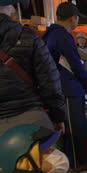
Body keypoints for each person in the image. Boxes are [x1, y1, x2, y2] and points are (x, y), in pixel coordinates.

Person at [0, 1, 66, 135]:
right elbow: (50, 83)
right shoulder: (28, 37)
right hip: (29, 120)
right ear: (9, 8)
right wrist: (58, 117)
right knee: (51, 156)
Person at [42, 2, 87, 170]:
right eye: (77, 18)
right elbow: (74, 64)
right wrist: (86, 80)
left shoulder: (50, 34)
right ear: (73, 18)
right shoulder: (62, 36)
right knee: (74, 129)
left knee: (65, 129)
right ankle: (77, 164)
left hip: (59, 88)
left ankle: (70, 163)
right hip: (68, 88)